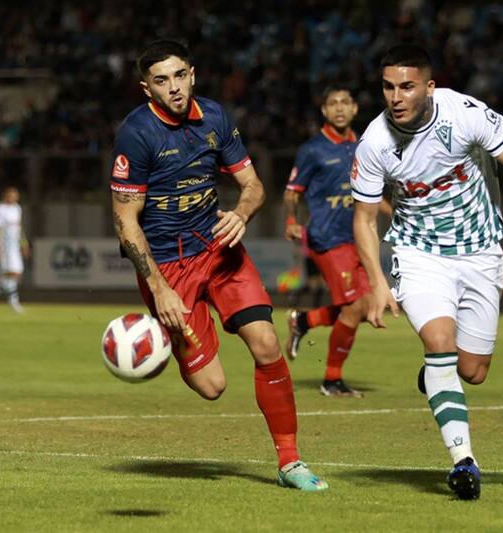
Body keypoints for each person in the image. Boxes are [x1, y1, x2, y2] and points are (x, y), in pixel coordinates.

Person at [111, 40, 327, 491]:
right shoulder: (137, 133)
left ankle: (290, 462)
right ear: (146, 89)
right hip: (168, 268)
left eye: (179, 75)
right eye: (161, 80)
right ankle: (165, 337)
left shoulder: (214, 117)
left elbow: (253, 185)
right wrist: (159, 289)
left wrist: (241, 214)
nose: (173, 87)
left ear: (193, 73)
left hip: (219, 250)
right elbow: (125, 221)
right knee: (212, 386)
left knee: (267, 345)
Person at [351, 44, 503, 499]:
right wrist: (377, 283)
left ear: (429, 87)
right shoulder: (375, 141)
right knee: (438, 342)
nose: (395, 97)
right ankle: (463, 462)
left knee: (473, 371)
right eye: (388, 87)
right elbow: (363, 219)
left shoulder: (464, 115)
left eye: (407, 86)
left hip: (480, 252)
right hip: (420, 254)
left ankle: (437, 374)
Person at [283, 84, 390, 397]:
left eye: (346, 102)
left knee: (366, 306)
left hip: (358, 239)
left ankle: (304, 321)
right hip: (327, 238)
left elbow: (372, 194)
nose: (340, 108)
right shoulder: (313, 149)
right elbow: (291, 193)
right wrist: (291, 220)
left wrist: (394, 212)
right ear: (324, 111)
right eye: (333, 103)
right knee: (358, 304)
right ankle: (331, 380)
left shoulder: (364, 146)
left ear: (355, 109)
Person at [0, 186, 29, 313]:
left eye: (15, 194)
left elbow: (19, 227)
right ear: (5, 195)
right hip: (6, 245)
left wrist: (24, 243)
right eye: (10, 194)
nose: (13, 197)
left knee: (15, 273)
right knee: (13, 273)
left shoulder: (17, 208)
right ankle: (13, 302)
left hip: (15, 245)